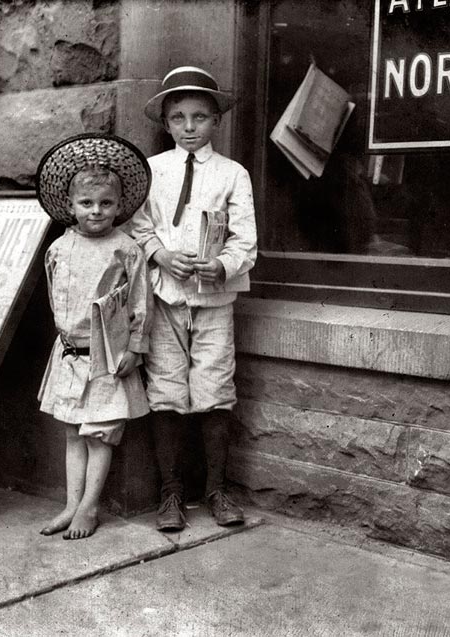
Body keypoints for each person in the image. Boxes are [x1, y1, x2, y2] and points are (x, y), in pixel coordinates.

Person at [130, 66, 257, 531]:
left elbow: (245, 239)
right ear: (166, 124)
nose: (189, 127)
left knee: (214, 391)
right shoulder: (150, 171)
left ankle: (217, 491)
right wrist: (160, 254)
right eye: (179, 118)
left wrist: (221, 264)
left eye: (199, 118)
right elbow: (138, 225)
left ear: (216, 121)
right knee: (166, 391)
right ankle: (170, 494)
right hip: (164, 298)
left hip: (214, 301)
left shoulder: (232, 174)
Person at [35, 133, 153, 540]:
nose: (96, 211)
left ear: (119, 206)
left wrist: (135, 348)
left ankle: (90, 506)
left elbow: (140, 304)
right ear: (70, 206)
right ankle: (70, 503)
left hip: (107, 357)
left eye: (106, 203)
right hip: (69, 355)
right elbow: (57, 301)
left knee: (99, 434)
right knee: (73, 432)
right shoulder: (59, 249)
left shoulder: (127, 250)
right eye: (86, 204)